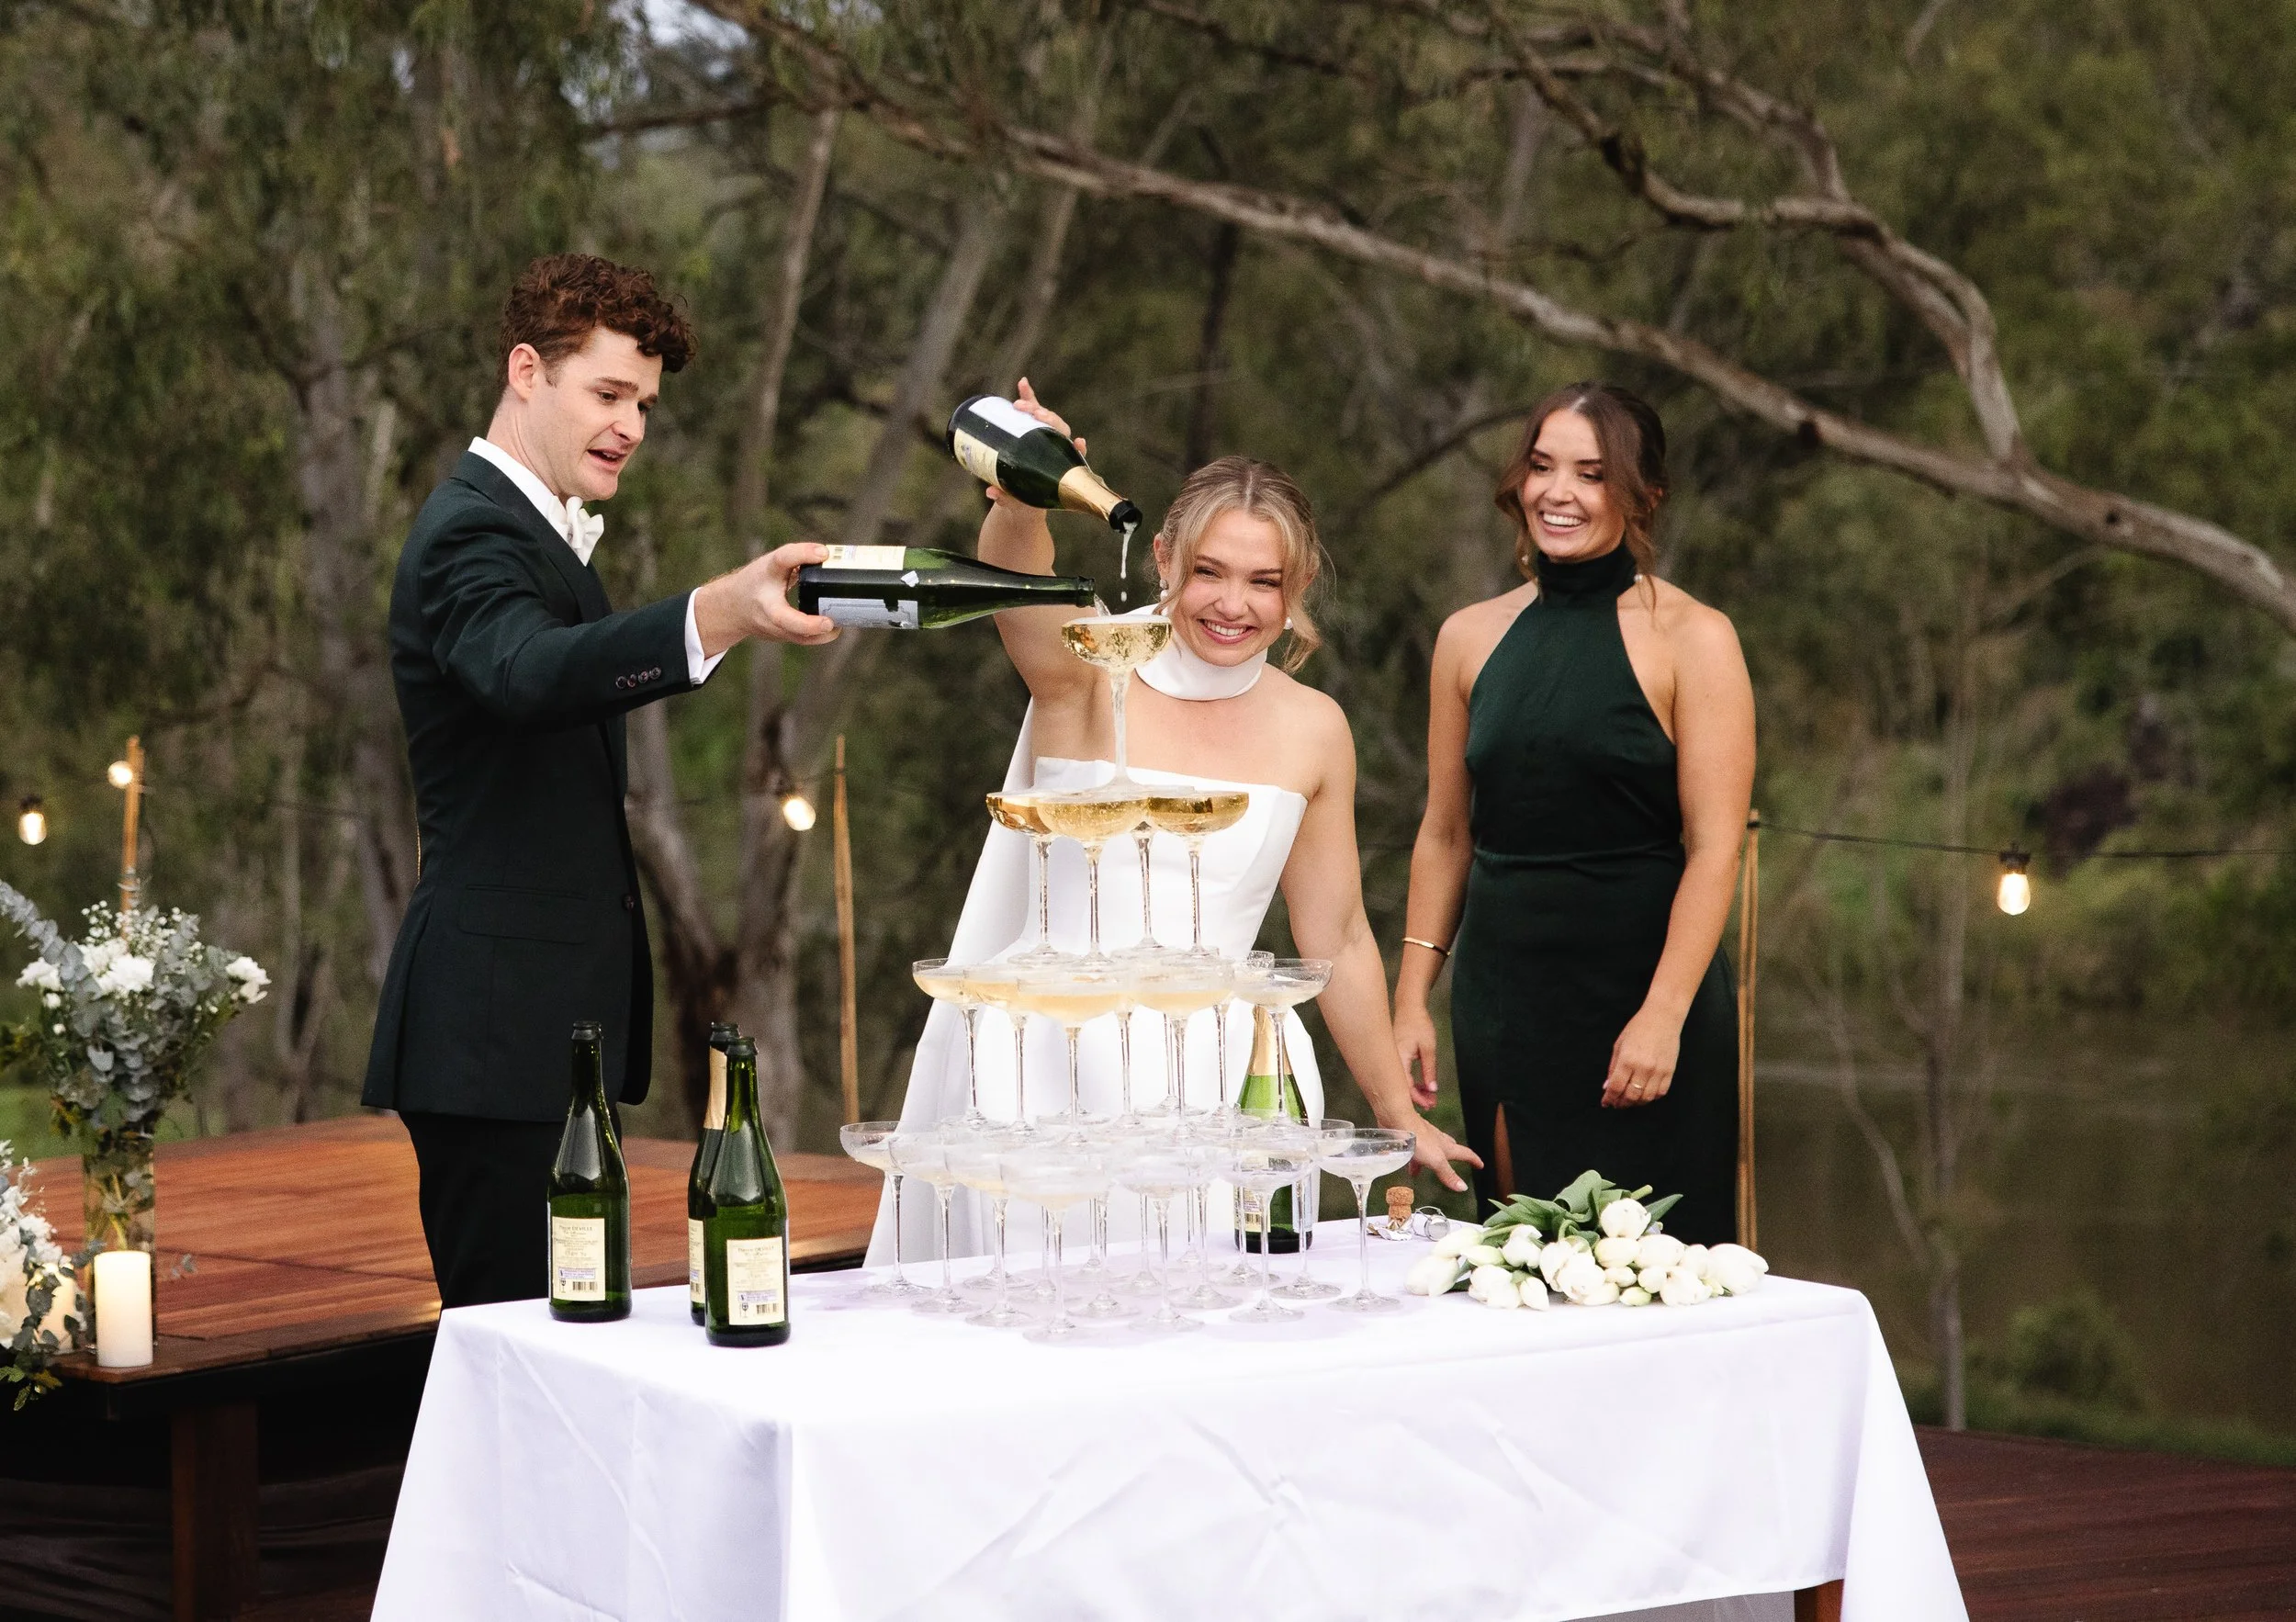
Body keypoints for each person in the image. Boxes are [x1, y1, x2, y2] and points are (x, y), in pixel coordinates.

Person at [871, 380, 1480, 1263]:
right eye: (1209, 573)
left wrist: (1395, 1114)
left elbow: (1338, 936)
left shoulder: (1315, 727)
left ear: (1296, 586)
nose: (1233, 605)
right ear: (1162, 558)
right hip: (1048, 1071)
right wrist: (1020, 491)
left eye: (1263, 582)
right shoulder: (1084, 668)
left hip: (1226, 1082)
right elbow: (1018, 576)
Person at [362, 253, 838, 1308]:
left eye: (646, 404)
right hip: (491, 1038)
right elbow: (528, 673)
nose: (632, 425)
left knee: (566, 1345)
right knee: (518, 1358)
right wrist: (720, 611)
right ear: (526, 370)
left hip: (537, 1034)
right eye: (609, 393)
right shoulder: (470, 530)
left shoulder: (539, 532)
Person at [1391, 382, 1753, 1245]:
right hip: (1507, 997)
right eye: (1542, 466)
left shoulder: (1696, 638)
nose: (1559, 491)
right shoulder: (1469, 637)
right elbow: (1446, 833)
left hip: (1647, 995)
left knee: (1662, 1272)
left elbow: (1714, 850)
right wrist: (1411, 999)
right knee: (1530, 1254)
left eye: (1592, 474)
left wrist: (1662, 1015)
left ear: (1644, 495)